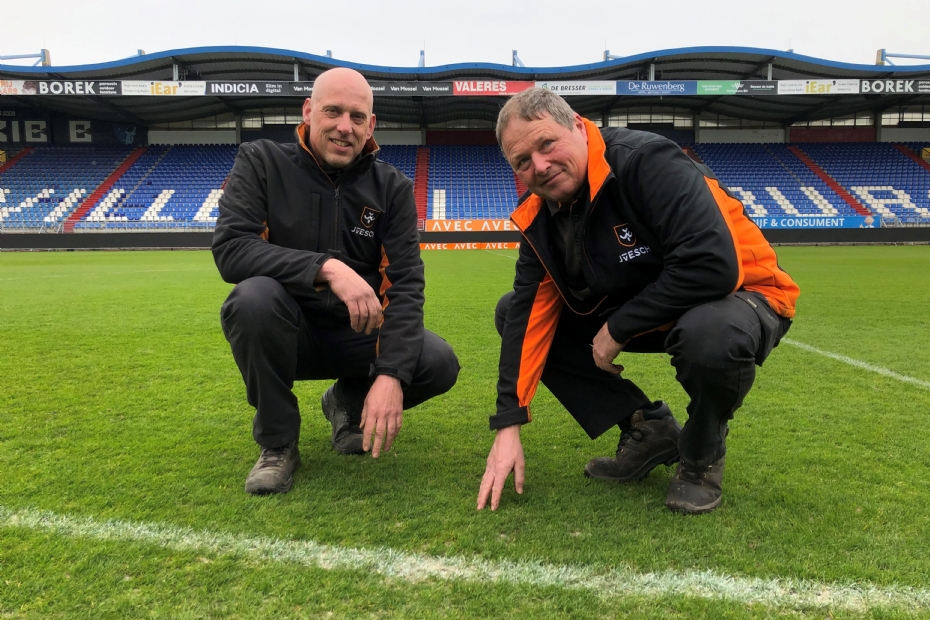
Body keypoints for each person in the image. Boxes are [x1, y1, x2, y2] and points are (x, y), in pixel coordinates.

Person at [477, 88, 799, 515]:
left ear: (576, 124)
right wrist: (508, 423)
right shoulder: (540, 211)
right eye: (522, 161)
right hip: (659, 305)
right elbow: (526, 313)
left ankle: (701, 455)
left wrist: (618, 327)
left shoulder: (646, 160)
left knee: (709, 333)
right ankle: (648, 428)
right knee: (509, 310)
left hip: (746, 292)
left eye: (546, 143)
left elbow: (712, 266)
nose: (539, 165)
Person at [213, 67, 459, 495]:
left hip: (357, 337)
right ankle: (278, 443)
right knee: (252, 299)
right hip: (287, 332)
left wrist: (390, 376)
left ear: (371, 126)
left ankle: (347, 402)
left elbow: (405, 287)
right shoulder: (262, 161)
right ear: (308, 111)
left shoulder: (393, 189)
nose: (345, 127)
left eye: (357, 117)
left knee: (437, 362)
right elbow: (232, 249)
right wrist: (326, 268)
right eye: (333, 111)